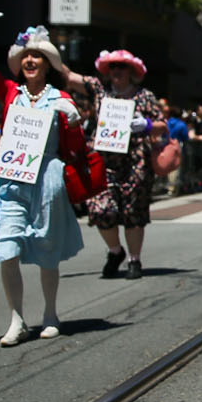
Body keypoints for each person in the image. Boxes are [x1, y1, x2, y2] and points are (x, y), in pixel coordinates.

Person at [0, 0, 86, 345]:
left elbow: (74, 146)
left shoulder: (61, 97)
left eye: (37, 56)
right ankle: (16, 319)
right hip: (12, 179)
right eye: (26, 56)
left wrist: (73, 119)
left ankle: (50, 313)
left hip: (46, 179)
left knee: (46, 249)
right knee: (8, 248)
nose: (30, 61)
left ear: (47, 64)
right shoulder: (10, 92)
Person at [61, 50, 165, 279]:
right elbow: (67, 76)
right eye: (113, 66)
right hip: (103, 161)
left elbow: (162, 125)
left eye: (122, 66)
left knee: (133, 212)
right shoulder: (100, 90)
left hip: (135, 161)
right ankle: (115, 251)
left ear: (131, 71)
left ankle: (134, 260)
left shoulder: (144, 96)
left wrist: (146, 125)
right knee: (100, 209)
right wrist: (42, 47)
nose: (117, 71)